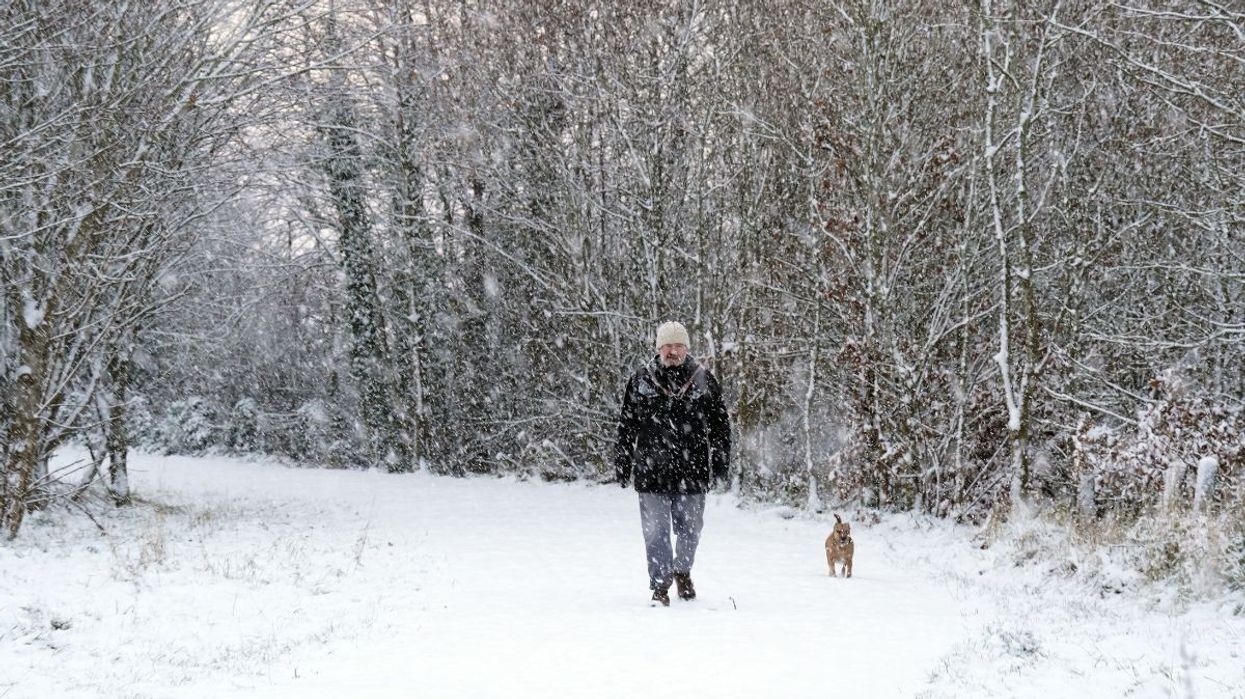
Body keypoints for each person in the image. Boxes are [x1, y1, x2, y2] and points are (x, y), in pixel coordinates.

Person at [614, 321, 732, 606]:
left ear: (686, 348)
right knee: (655, 531)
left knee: (690, 529)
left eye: (678, 346)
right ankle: (660, 583)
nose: (673, 351)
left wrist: (720, 461)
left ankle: (682, 571)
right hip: (651, 470)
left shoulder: (703, 380)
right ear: (659, 349)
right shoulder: (641, 380)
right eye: (667, 345)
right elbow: (627, 424)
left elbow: (720, 426)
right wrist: (622, 459)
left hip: (692, 470)